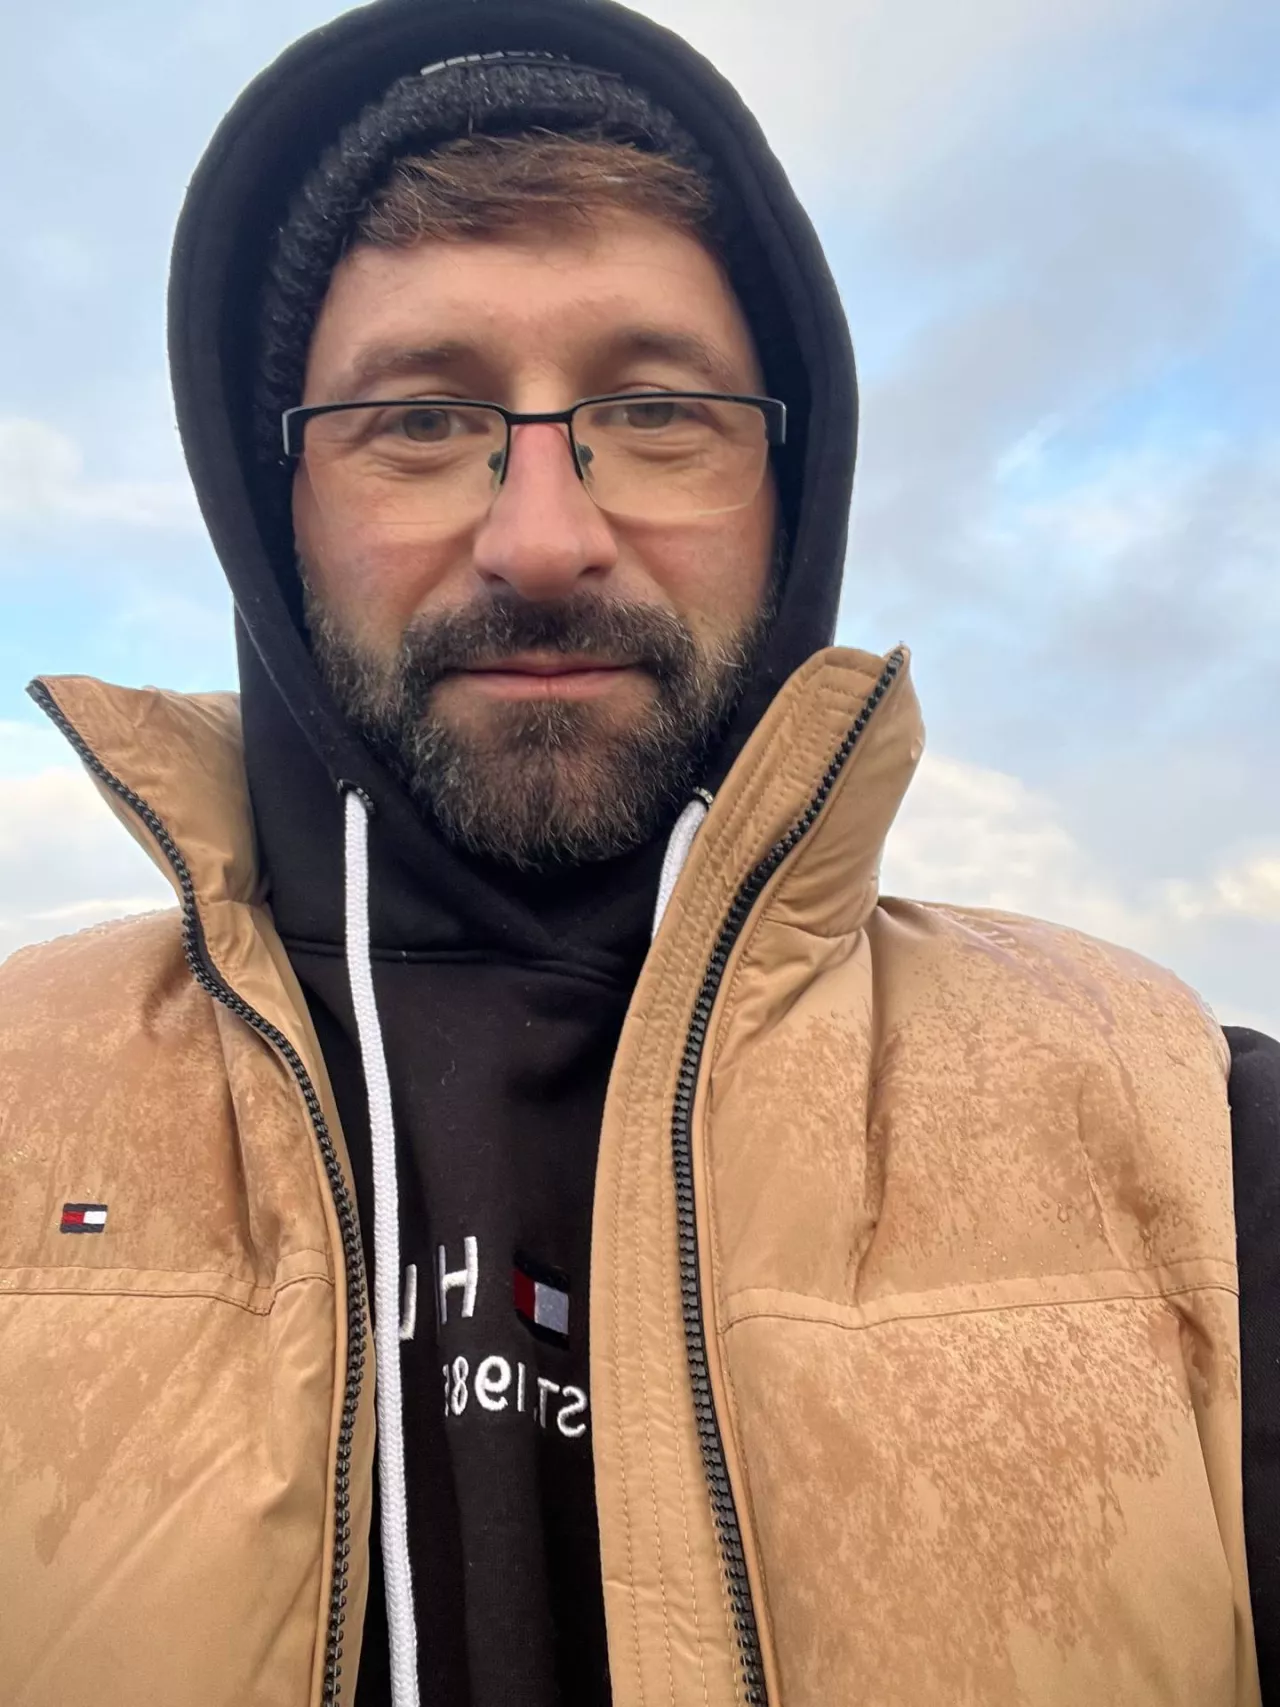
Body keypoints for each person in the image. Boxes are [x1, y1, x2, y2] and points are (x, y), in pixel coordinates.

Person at [1, 1, 1276, 1703]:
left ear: (790, 489)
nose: (543, 538)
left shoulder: (1201, 1141)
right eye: (421, 419)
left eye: (661, 409)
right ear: (272, 504)